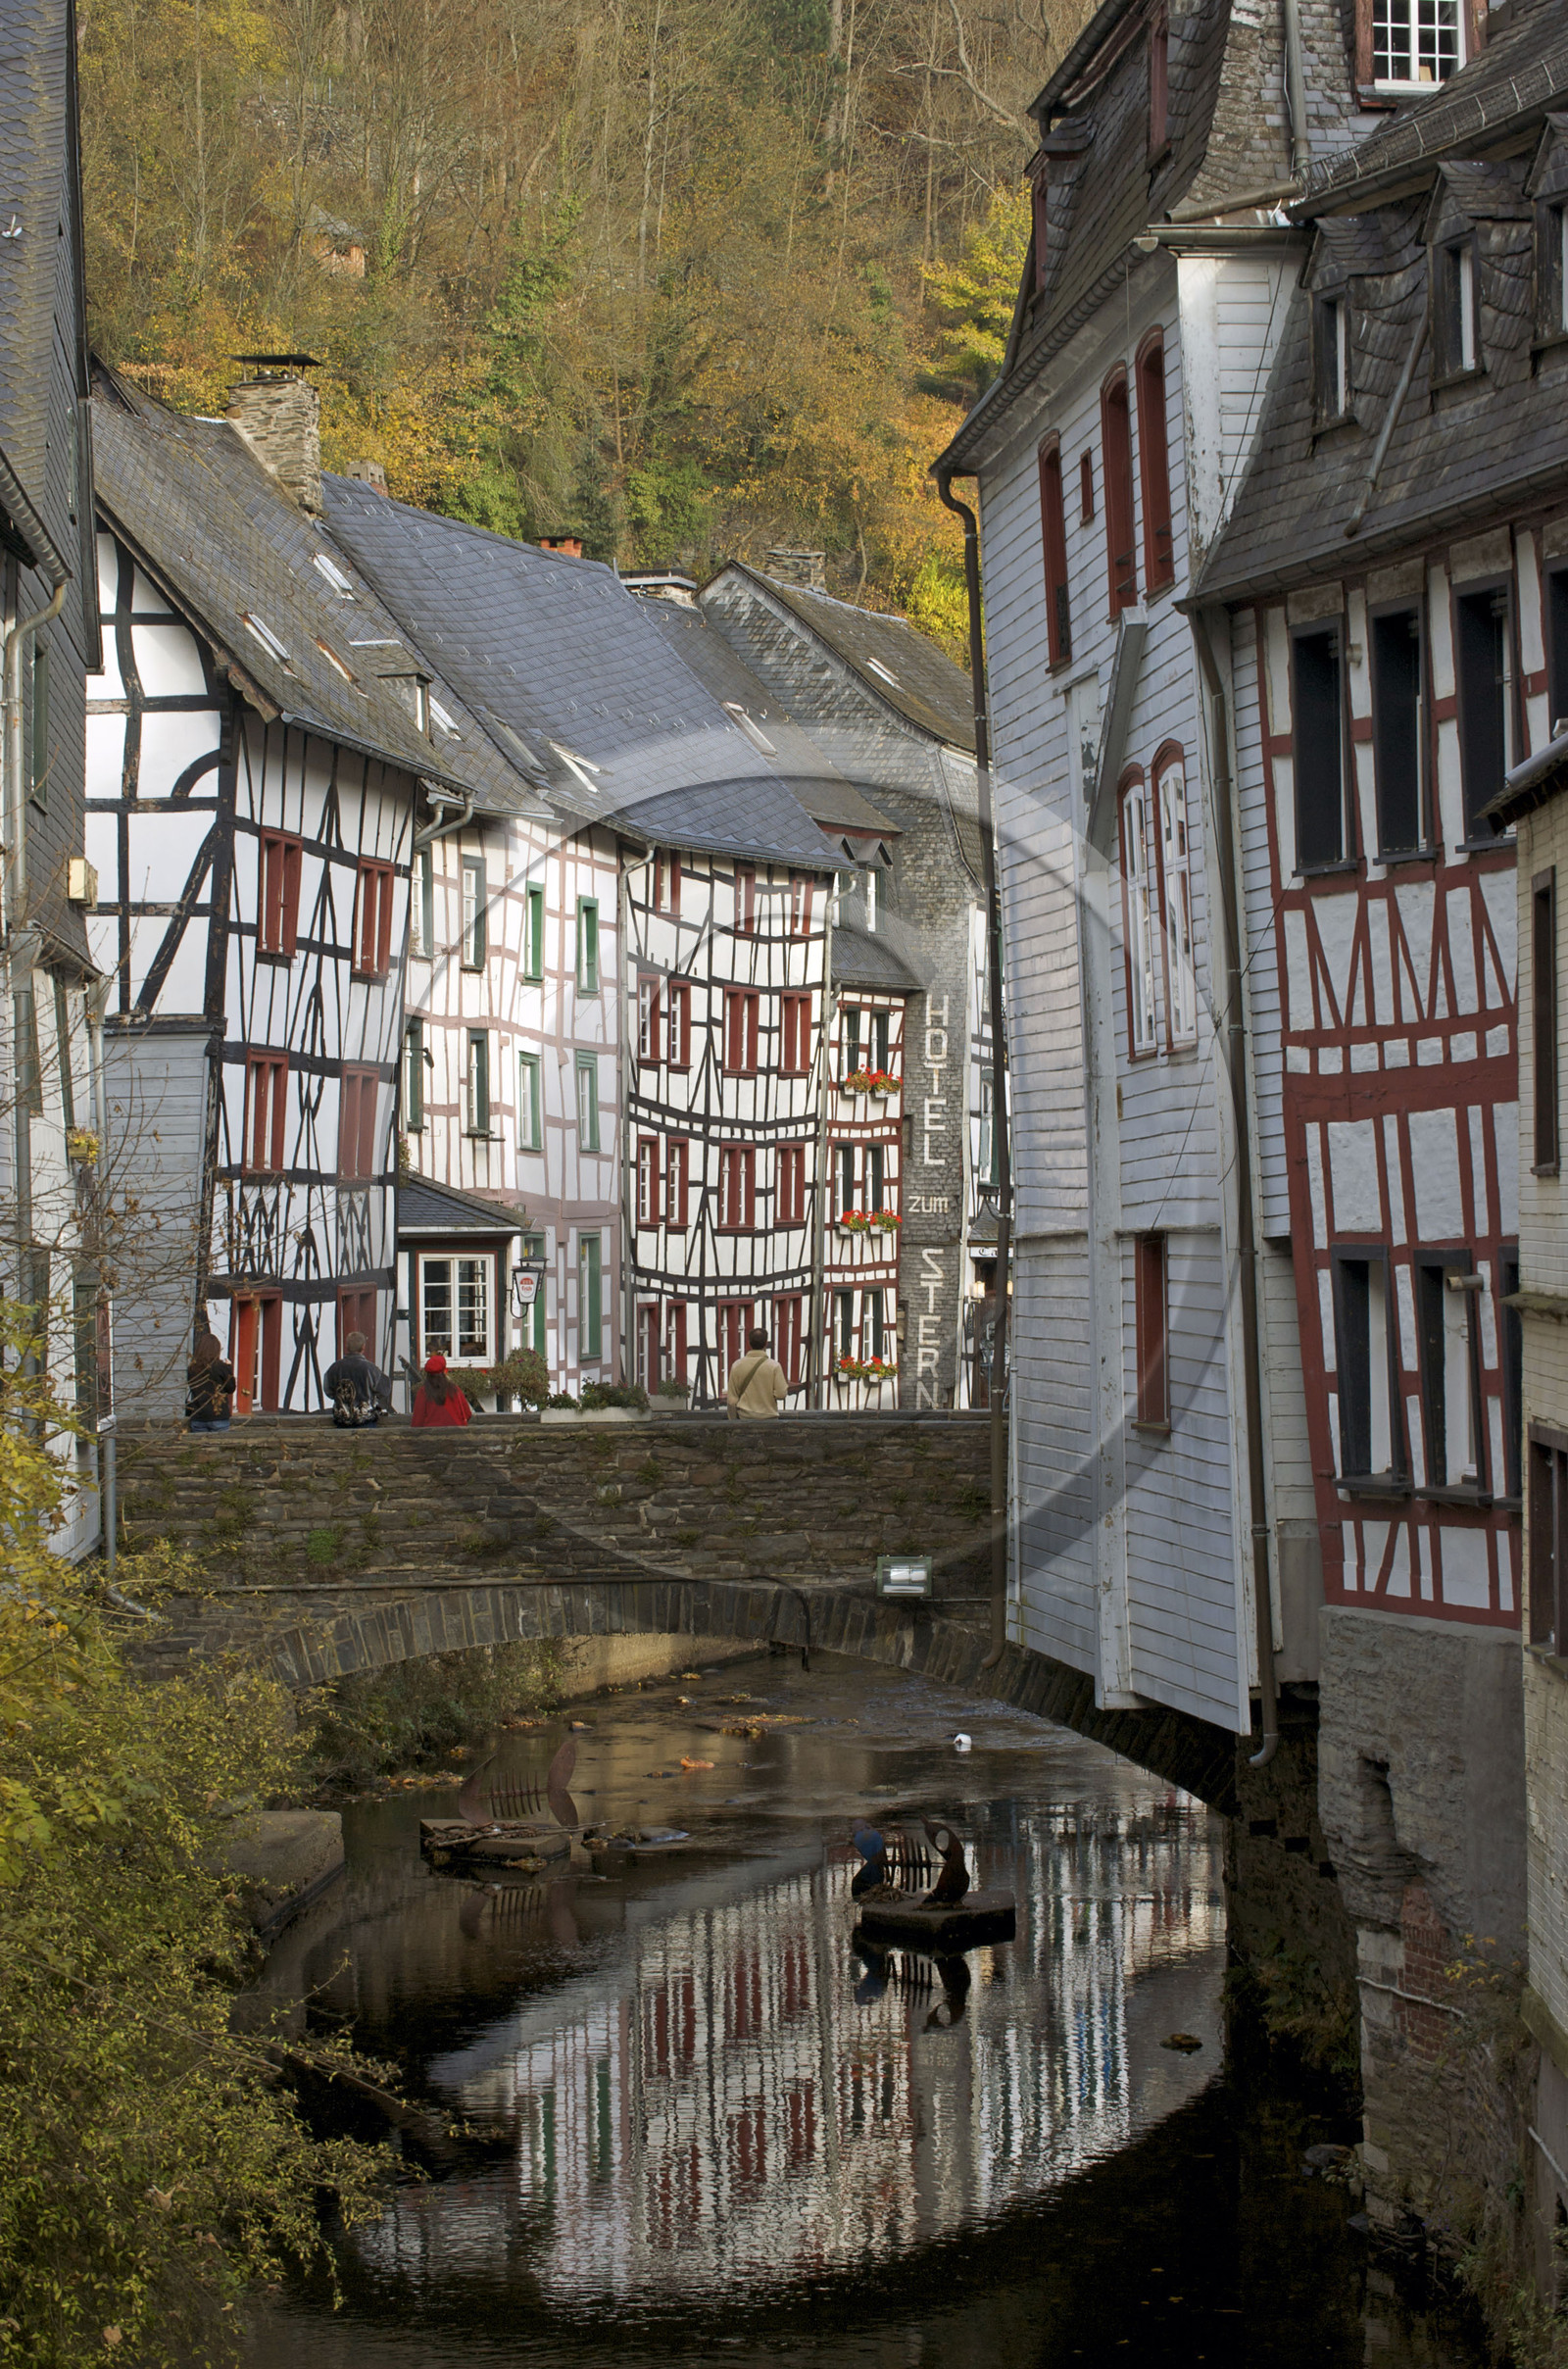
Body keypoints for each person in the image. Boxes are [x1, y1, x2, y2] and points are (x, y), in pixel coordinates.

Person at [323, 1330, 392, 1428]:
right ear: (363, 1346)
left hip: (341, 1421)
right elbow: (385, 1390)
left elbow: (328, 1390)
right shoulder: (370, 1369)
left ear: (347, 1347)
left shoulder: (334, 1368)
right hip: (366, 1421)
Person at [726, 1325, 788, 1420]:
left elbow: (731, 1399)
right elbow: (781, 1394)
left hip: (744, 1418)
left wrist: (733, 1422)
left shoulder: (737, 1365)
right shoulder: (774, 1366)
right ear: (766, 1343)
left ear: (749, 1343)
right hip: (769, 1417)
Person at [185, 1331, 235, 1433]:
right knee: (220, 1446)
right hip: (218, 1415)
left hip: (198, 1415)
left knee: (199, 1447)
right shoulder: (220, 1367)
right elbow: (230, 1388)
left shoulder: (192, 1369)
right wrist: (229, 1369)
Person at [411, 1352, 472, 1428]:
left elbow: (417, 1421)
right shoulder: (454, 1389)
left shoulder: (423, 1392)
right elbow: (467, 1413)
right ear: (444, 1371)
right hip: (456, 1435)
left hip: (430, 1436)